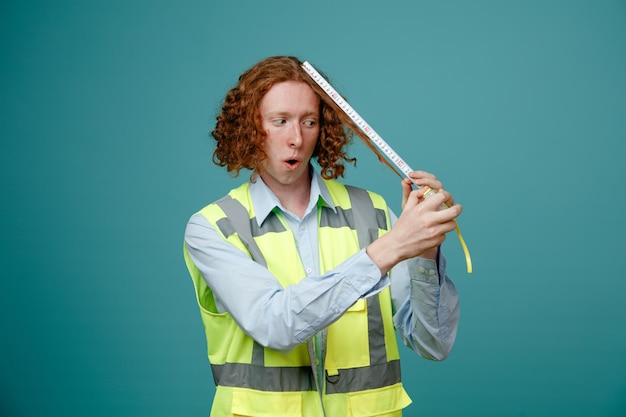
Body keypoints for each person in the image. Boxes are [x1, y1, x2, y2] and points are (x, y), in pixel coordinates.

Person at [183, 55, 462, 417]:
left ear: (324, 128)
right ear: (250, 128)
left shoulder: (374, 212)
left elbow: (433, 345)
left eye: (309, 122)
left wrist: (425, 248)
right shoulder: (213, 227)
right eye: (280, 121)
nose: (296, 139)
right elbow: (275, 324)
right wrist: (392, 247)